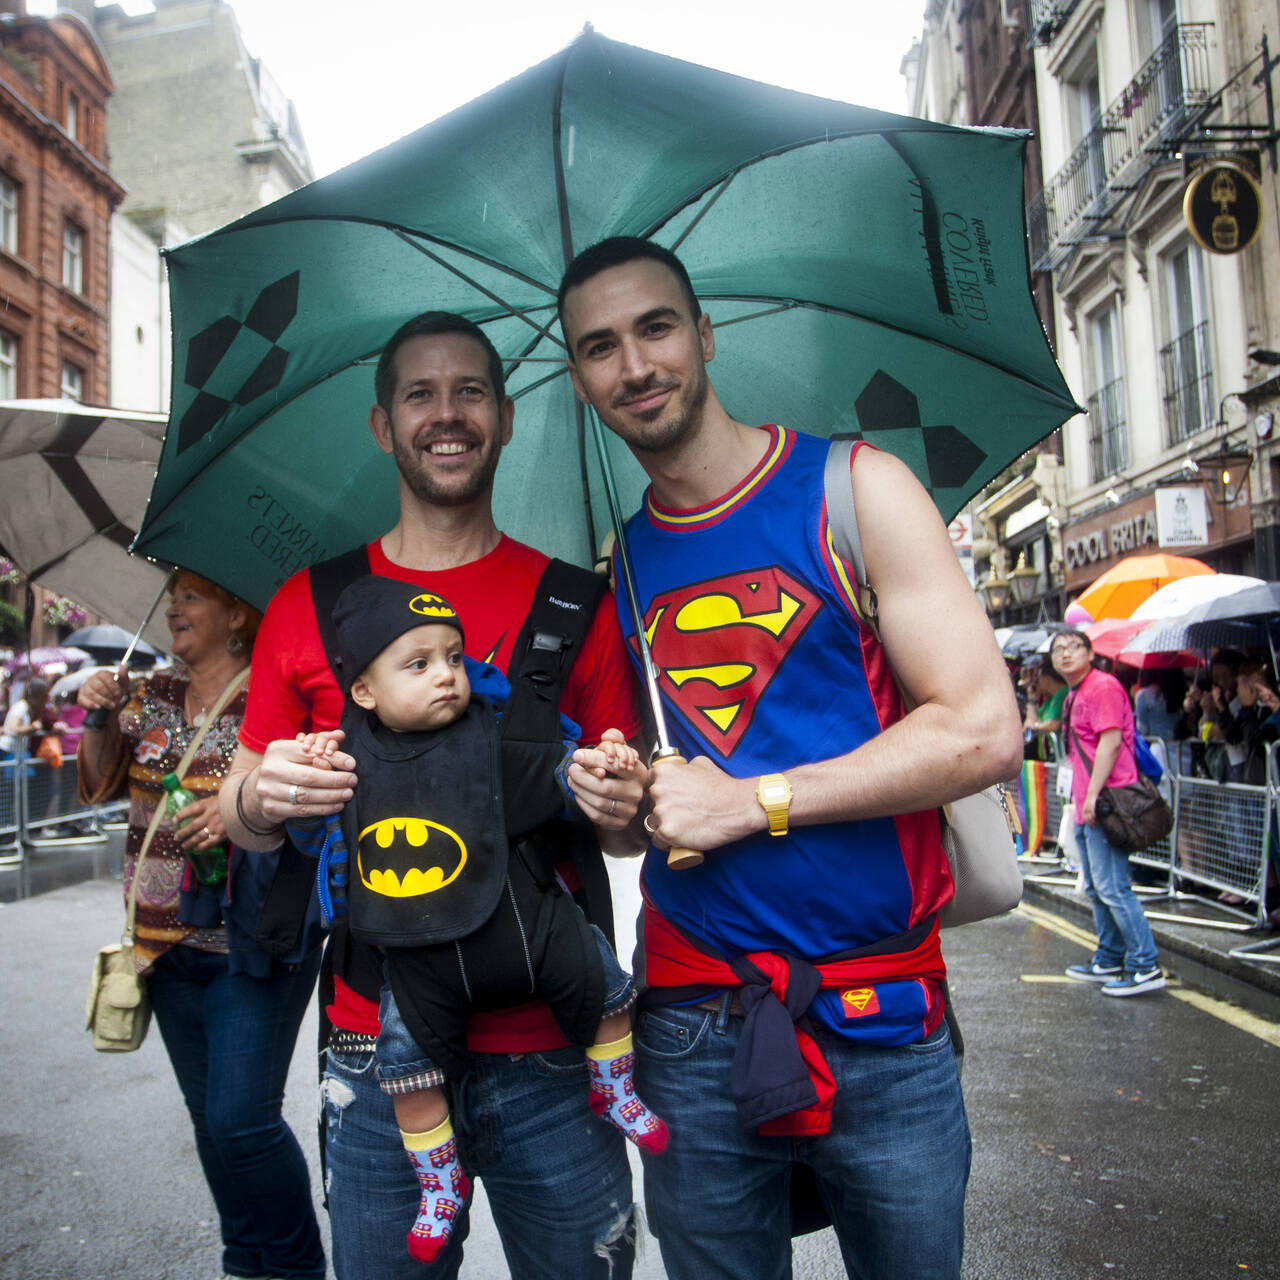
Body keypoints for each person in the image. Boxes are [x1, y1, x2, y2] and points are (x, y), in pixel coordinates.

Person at [557, 237, 1024, 1280]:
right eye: (599, 346)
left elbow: (981, 728)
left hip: (881, 1012)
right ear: (580, 378)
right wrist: (619, 799)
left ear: (703, 334)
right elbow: (654, 813)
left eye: (654, 326)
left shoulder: (856, 487)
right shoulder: (623, 562)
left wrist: (753, 802)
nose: (634, 364)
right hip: (687, 1022)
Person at [219, 312, 646, 1280]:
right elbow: (243, 813)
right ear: (383, 423)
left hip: (559, 1053)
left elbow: (622, 838)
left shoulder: (576, 604)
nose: (445, 414)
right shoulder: (309, 603)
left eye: (469, 393)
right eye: (420, 393)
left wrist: (616, 799)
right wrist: (265, 794)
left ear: (503, 416)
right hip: (377, 1060)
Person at [290, 577, 666, 1263]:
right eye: (419, 664)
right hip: (410, 959)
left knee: (609, 988)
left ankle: (614, 1088)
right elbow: (304, 833)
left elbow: (560, 772)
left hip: (529, 943)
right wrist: (291, 789)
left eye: (455, 658)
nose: (447, 677)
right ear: (363, 692)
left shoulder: (491, 735)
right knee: (405, 1071)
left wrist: (602, 769)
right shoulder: (346, 756)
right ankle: (438, 1182)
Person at [76, 570, 326, 1280]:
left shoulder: (274, 697)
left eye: (191, 595)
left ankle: (294, 1266)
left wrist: (237, 814)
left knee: (241, 1120)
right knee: (211, 1125)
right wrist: (98, 712)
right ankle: (243, 1259)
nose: (174, 607)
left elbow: (316, 798)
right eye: (174, 595)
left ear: (237, 614)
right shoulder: (147, 694)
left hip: (251, 943)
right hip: (162, 943)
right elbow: (94, 784)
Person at [1049, 629, 1166, 996]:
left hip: (1108, 803)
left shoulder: (1102, 687)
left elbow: (1110, 741)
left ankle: (1145, 966)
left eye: (1073, 647)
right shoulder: (1073, 694)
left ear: (1090, 652)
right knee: (1099, 889)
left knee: (1114, 887)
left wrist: (1093, 795)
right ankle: (1109, 957)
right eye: (1058, 649)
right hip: (1089, 805)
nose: (1065, 653)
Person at [1023, 659, 1066, 761]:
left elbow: (1054, 724)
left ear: (1046, 677)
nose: (1036, 683)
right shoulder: (1050, 699)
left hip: (1062, 756)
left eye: (1038, 678)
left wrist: (1035, 726)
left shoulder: (1063, 693)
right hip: (1052, 756)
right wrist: (1031, 698)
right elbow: (1032, 721)